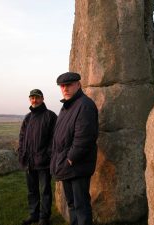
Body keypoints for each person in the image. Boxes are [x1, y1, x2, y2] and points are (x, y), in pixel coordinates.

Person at [51, 72, 99, 225]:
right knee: (72, 205)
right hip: (67, 165)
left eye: (69, 85)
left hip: (77, 166)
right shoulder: (66, 107)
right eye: (62, 86)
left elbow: (84, 138)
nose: (65, 88)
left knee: (81, 206)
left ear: (78, 85)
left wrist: (70, 159)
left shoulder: (85, 105)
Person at [18, 89, 57, 225]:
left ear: (42, 98)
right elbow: (22, 137)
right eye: (32, 98)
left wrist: (48, 154)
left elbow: (54, 138)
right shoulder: (28, 118)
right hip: (29, 161)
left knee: (45, 190)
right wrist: (21, 153)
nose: (34, 100)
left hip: (43, 161)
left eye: (37, 98)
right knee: (32, 190)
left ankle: (44, 217)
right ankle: (34, 215)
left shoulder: (50, 116)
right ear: (30, 100)